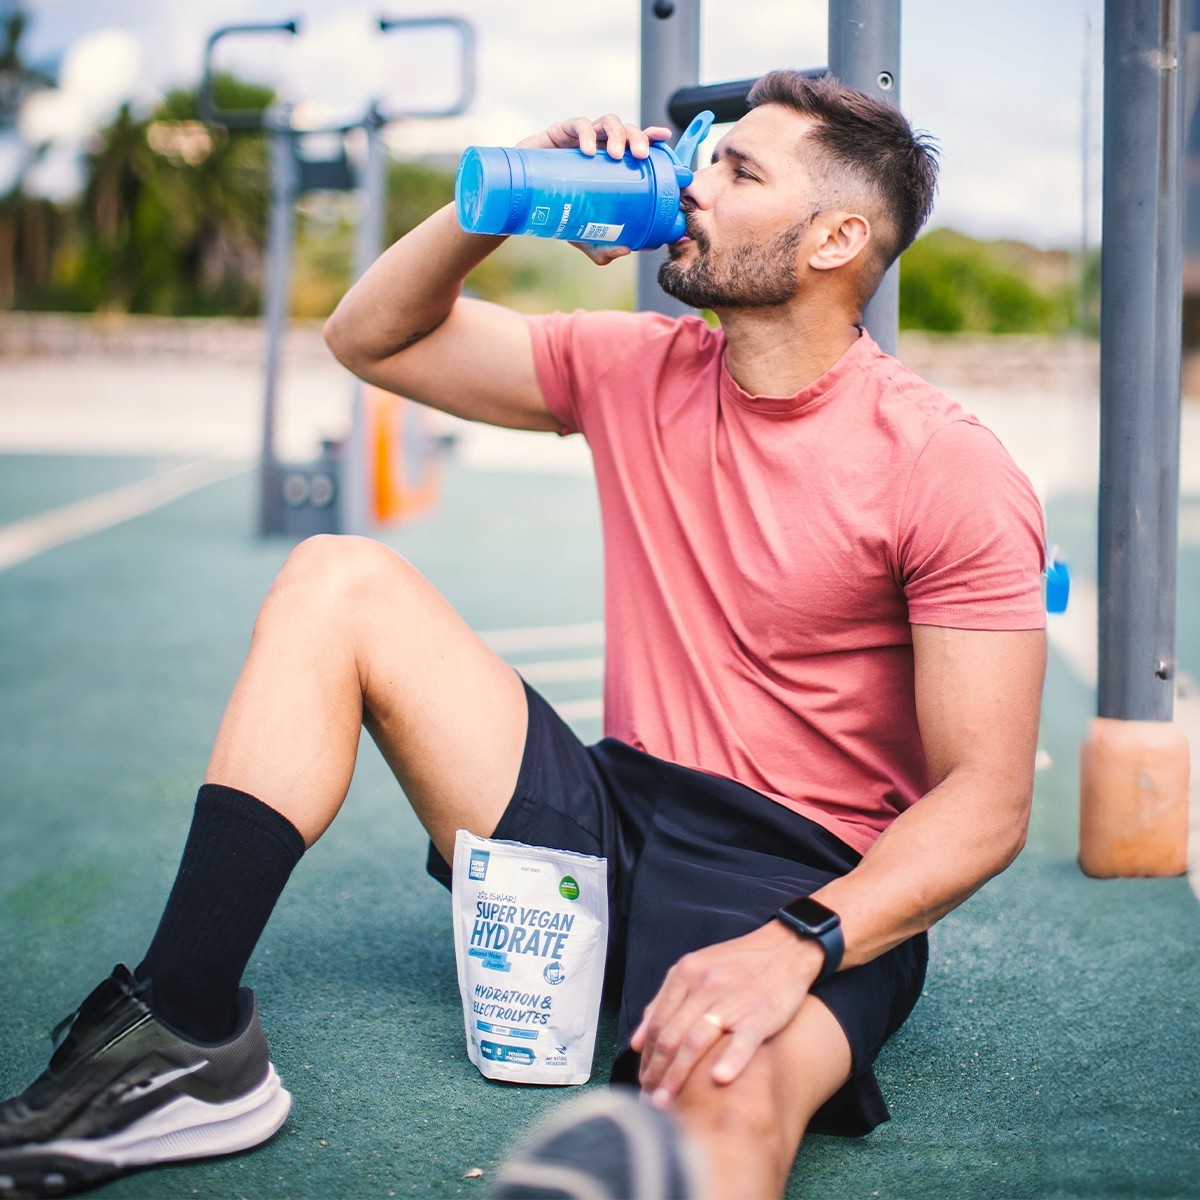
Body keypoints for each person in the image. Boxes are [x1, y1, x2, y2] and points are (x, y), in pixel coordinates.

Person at [0, 71, 1046, 1200]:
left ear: (837, 238)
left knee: (719, 1104)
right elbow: (370, 335)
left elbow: (986, 800)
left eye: (739, 170)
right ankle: (187, 1032)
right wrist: (495, 202)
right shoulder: (634, 366)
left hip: (799, 875)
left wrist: (795, 945)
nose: (692, 181)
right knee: (338, 578)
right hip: (606, 812)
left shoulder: (945, 465)